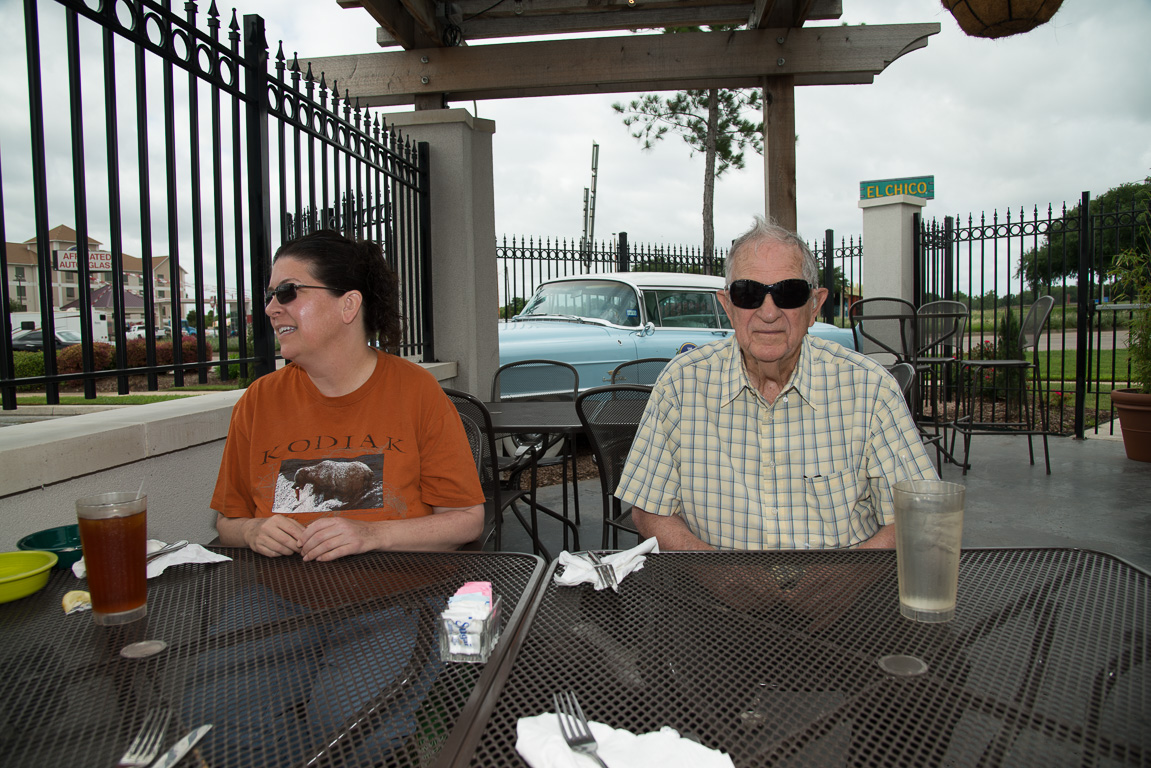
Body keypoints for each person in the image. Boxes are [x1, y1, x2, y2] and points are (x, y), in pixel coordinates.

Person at [616, 216, 938, 552]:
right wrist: (722, 576)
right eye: (748, 293)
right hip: (711, 597)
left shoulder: (871, 390)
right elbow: (650, 510)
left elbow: (920, 513)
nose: (768, 312)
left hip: (842, 598)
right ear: (728, 306)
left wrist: (842, 581)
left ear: (814, 305)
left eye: (789, 292)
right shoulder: (681, 385)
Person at [212, 229, 485, 560]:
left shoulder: (416, 391)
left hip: (397, 598)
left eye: (286, 292)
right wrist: (251, 530)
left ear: (349, 305)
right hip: (280, 600)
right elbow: (227, 521)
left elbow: (466, 521)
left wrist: (371, 534)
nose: (271, 308)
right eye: (269, 295)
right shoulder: (258, 401)